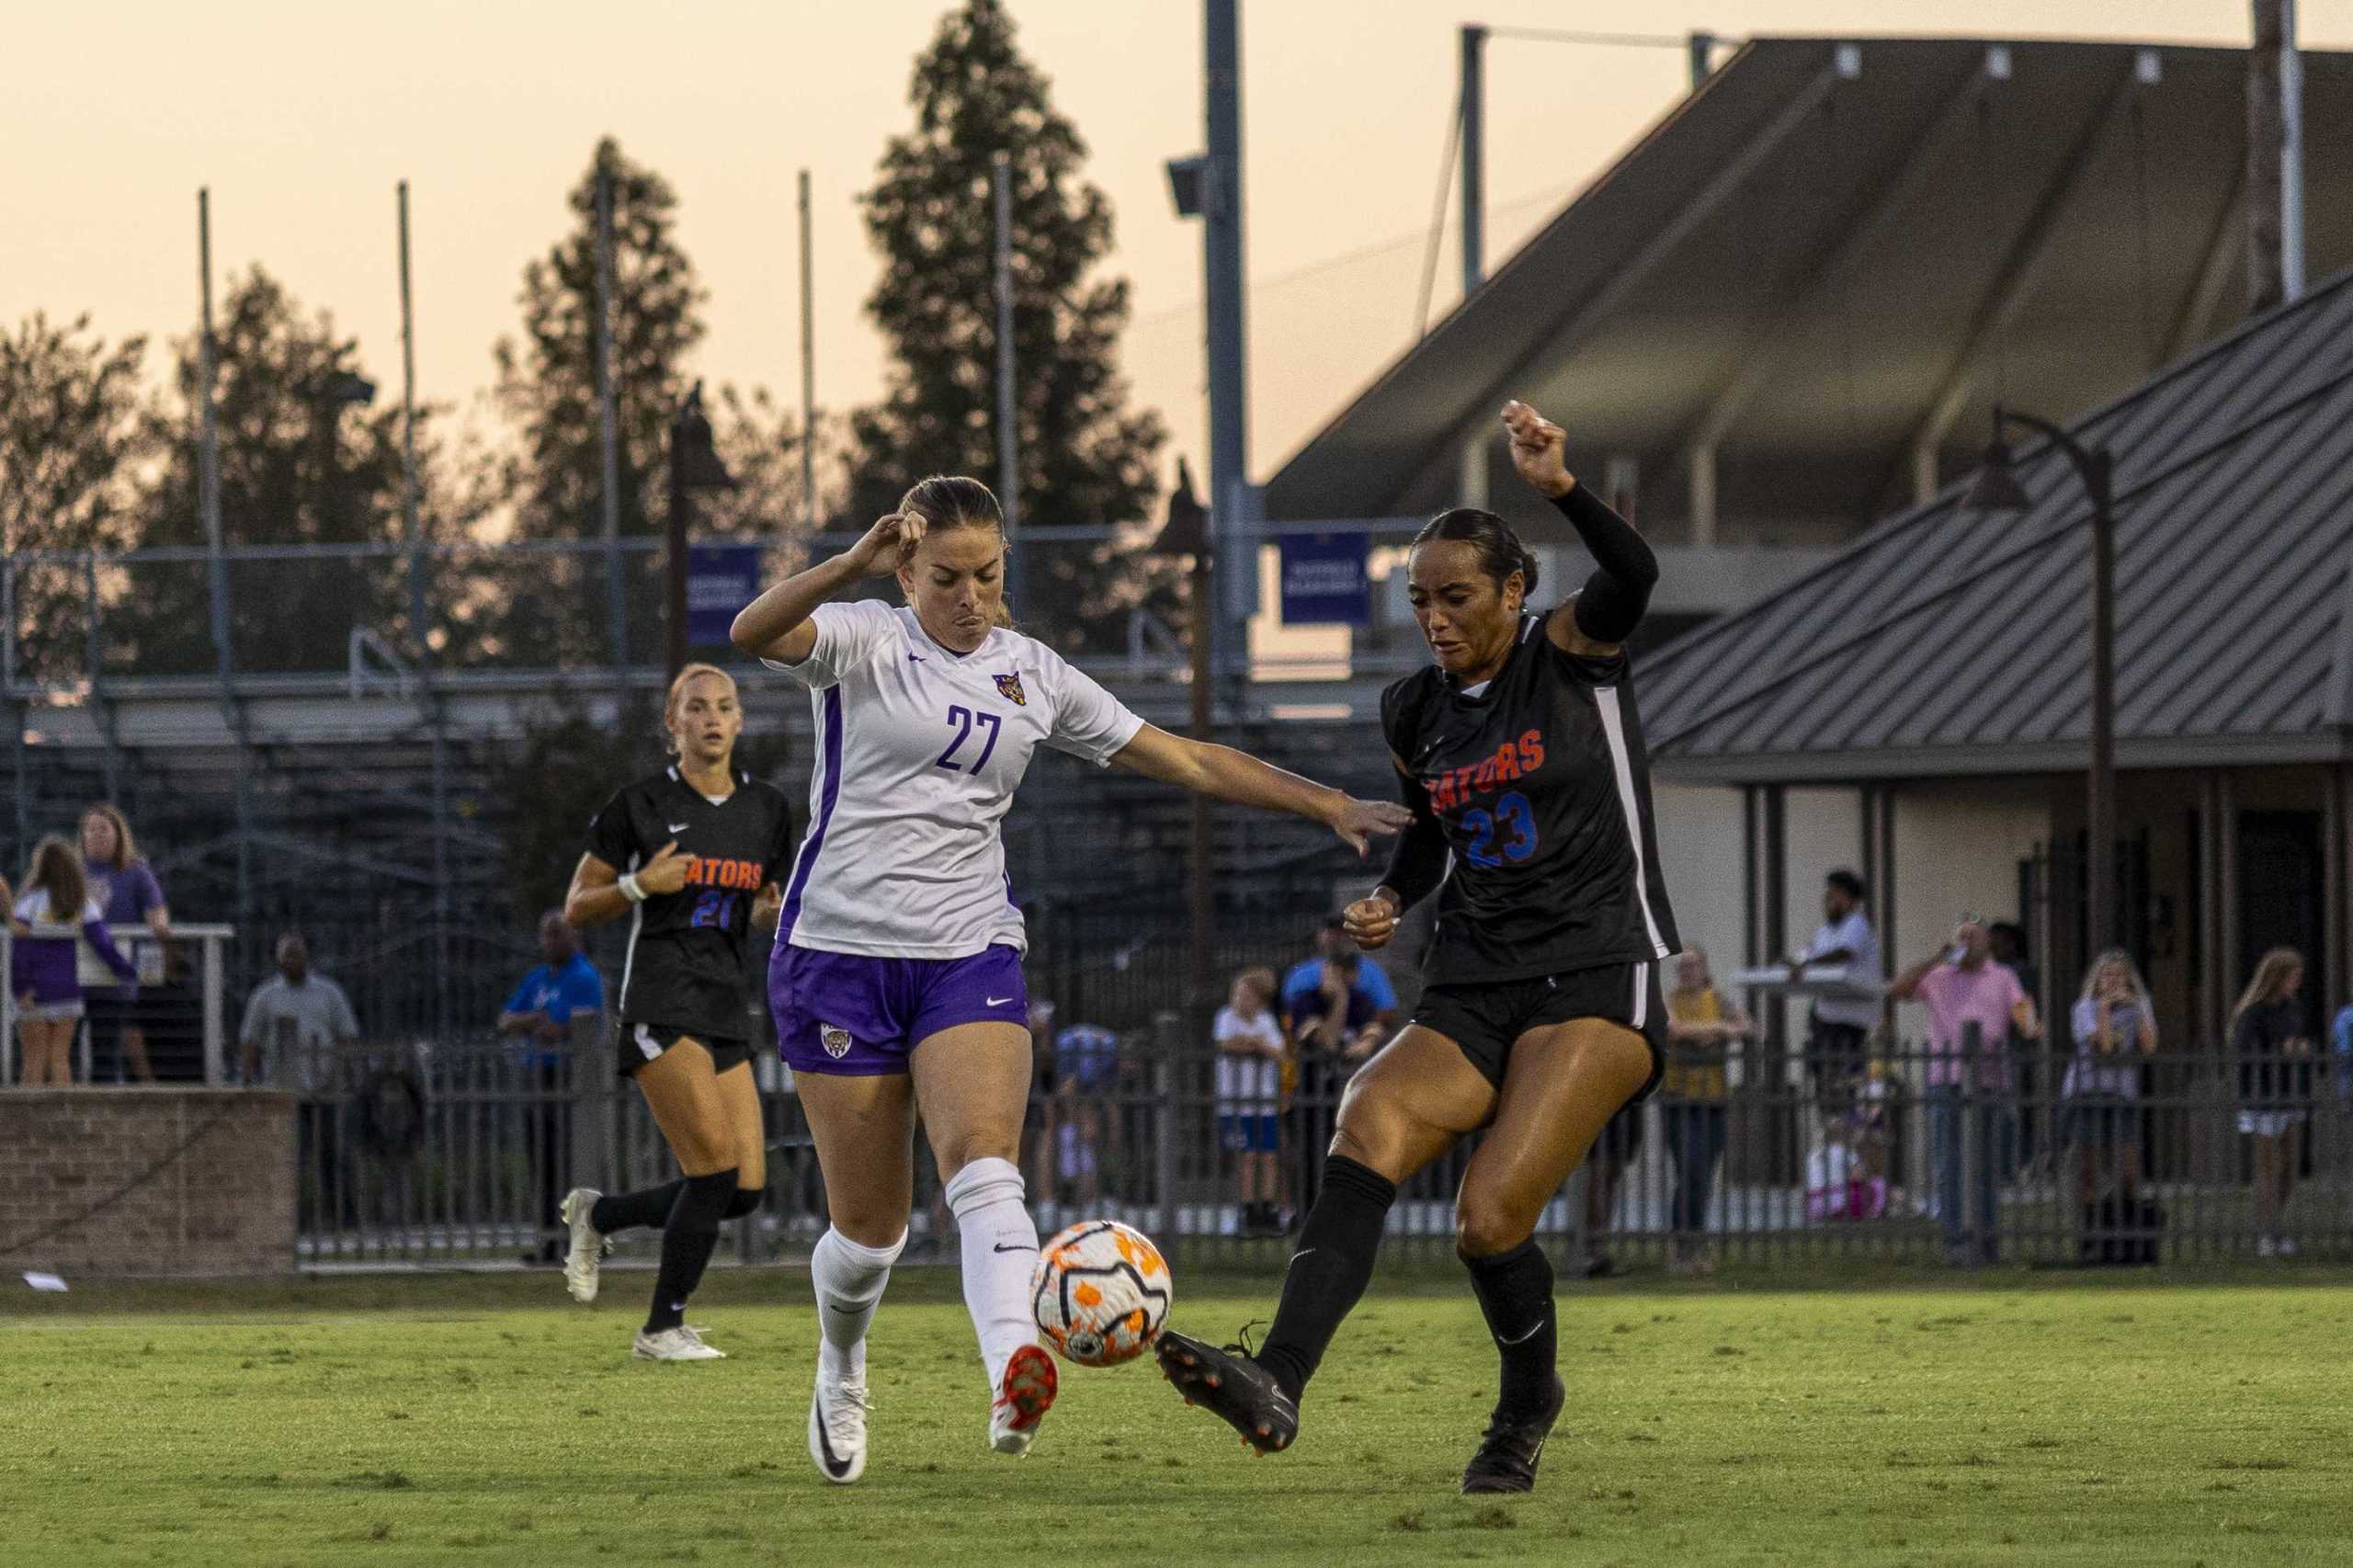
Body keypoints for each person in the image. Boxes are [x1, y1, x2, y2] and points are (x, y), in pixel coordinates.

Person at [726, 473, 1404, 1484]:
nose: (969, 595)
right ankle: (841, 1361)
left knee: (986, 1163)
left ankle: (1015, 1365)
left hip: (969, 951)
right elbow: (751, 631)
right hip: (838, 955)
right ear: (905, 570)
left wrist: (1328, 802)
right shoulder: (863, 637)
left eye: (987, 574)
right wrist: (847, 563)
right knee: (869, 1235)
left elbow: (1189, 760)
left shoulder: (1033, 674)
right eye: (944, 576)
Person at [1155, 399, 1677, 1496]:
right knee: (1368, 1115)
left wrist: (1558, 488)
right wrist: (1392, 894)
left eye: (1456, 597)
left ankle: (1527, 1400)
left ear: (1513, 592)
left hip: (1593, 968)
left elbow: (1636, 574)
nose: (1434, 619)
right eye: (1419, 600)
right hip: (1477, 973)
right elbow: (1433, 835)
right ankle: (1277, 1377)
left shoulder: (1572, 652)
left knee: (1487, 1218)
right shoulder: (1414, 709)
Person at [555, 663, 796, 1361]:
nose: (713, 717)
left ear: (741, 720)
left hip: (725, 1001)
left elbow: (754, 902)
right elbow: (576, 905)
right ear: (674, 724)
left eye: (725, 706)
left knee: (745, 1190)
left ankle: (599, 1215)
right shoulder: (642, 804)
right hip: (661, 1000)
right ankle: (662, 1328)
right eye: (697, 708)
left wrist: (766, 913)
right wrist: (639, 882)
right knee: (713, 1172)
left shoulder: (768, 810)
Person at [1890, 918, 2040, 1265]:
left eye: (1975, 935)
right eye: (1963, 935)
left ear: (1987, 942)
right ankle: (1956, 1241)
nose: (1968, 941)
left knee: (1987, 1166)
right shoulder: (1939, 975)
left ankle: (1986, 1241)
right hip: (1947, 1079)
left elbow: (2023, 1013)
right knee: (1949, 1163)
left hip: (1990, 1080)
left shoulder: (2002, 977)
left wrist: (2029, 1024)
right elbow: (1898, 989)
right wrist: (1935, 959)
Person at [497, 911, 605, 1265]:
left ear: (573, 936)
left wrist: (531, 1024)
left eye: (556, 934)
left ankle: (581, 1241)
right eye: (545, 935)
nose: (549, 942)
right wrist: (533, 1022)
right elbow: (507, 1018)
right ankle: (548, 1241)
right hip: (539, 1075)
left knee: (571, 1163)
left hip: (570, 1076)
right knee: (542, 1162)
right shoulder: (538, 977)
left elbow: (561, 1029)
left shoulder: (584, 977)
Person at [238, 933, 361, 1226]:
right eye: (287, 955)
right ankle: (286, 1220)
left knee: (333, 1155)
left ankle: (344, 1218)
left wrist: (343, 1073)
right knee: (286, 1158)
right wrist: (248, 1078)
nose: (292, 960)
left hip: (323, 1086)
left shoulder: (328, 993)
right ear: (279, 960)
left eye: (297, 954)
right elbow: (251, 1041)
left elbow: (345, 1035)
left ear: (306, 957)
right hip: (282, 1088)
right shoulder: (266, 997)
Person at [6, 837, 138, 1085]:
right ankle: (62, 1120)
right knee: (60, 1059)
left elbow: (20, 950)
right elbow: (103, 945)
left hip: (34, 989)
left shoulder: (30, 902)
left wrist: (20, 988)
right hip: (68, 990)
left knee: (34, 1059)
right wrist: (128, 971)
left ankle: (29, 1122)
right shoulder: (83, 904)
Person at [1662, 947, 1752, 1275]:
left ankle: (1696, 1243)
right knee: (1690, 1169)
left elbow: (1746, 1027)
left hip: (1713, 1099)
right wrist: (1717, 1031)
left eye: (1692, 965)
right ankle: (1682, 1246)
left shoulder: (1719, 999)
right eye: (1681, 966)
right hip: (1680, 1098)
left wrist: (1714, 1030)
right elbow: (1675, 1030)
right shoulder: (1670, 1001)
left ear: (1704, 967)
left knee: (1705, 1174)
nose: (1687, 971)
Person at [2231, 948, 2313, 1258]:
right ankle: (2266, 1232)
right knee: (2267, 1166)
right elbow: (2245, 1052)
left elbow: (2300, 1039)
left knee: (2290, 1166)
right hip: (2262, 1095)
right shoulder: (2253, 1012)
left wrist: (2302, 1050)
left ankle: (2276, 1224)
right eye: (2292, 977)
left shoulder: (2293, 1008)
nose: (2296, 982)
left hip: (2289, 1092)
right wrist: (2280, 1050)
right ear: (2276, 978)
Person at [79, 805, 171, 1084]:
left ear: (118, 835)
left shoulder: (135, 871)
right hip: (72, 975)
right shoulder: (73, 871)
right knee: (65, 1052)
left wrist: (160, 923)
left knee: (106, 1055)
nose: (96, 835)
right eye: (91, 829)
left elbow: (156, 909)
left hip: (112, 977)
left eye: (103, 829)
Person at [2062, 950, 2155, 1216]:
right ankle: (2090, 1227)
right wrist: (2103, 1008)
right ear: (2097, 980)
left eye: (2119, 976)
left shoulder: (2140, 1005)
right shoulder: (2084, 1008)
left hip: (2122, 1093)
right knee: (2088, 1166)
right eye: (2107, 975)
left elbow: (2149, 1048)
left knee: (2128, 1166)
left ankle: (2121, 1220)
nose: (2112, 981)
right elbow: (2104, 1049)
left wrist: (2137, 1010)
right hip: (2088, 1091)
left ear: (2129, 980)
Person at [1791, 870, 1881, 1110]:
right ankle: (1831, 1125)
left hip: (1849, 1020)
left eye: (1836, 896)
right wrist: (1794, 963)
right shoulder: (1825, 930)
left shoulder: (1857, 925)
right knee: (1824, 1077)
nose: (1829, 901)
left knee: (1845, 1081)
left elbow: (1844, 953)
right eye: (1827, 896)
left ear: (1851, 900)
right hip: (1826, 1016)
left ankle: (1845, 1124)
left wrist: (1807, 964)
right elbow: (1809, 954)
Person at [1215, 967, 1287, 1237]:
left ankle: (1266, 1207)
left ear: (1260, 1000)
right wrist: (1256, 1044)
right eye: (1237, 994)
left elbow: (1278, 1052)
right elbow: (1226, 1045)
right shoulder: (1226, 1017)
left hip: (1263, 1101)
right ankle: (1246, 1208)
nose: (1239, 1000)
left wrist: (1255, 1042)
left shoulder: (1266, 1021)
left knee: (1268, 1156)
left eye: (1246, 995)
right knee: (1247, 1157)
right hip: (1236, 1102)